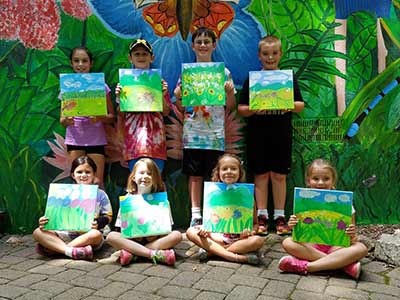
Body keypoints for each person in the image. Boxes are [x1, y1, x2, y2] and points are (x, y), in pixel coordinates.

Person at [238, 35, 304, 235]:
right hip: (258, 134)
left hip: (281, 134)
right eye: (266, 54)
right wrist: (254, 110)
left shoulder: (288, 78)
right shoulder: (253, 79)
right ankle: (262, 217)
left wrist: (288, 105)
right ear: (259, 56)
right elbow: (241, 109)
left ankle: (280, 216)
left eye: (274, 53)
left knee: (279, 175)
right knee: (261, 175)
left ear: (280, 54)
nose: (270, 57)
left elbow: (300, 105)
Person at [174, 27, 236, 227]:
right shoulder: (187, 73)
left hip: (215, 134)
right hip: (192, 133)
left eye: (206, 42)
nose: (202, 45)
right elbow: (181, 106)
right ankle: (196, 215)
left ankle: (213, 213)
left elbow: (231, 106)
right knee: (195, 174)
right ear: (192, 46)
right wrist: (178, 96)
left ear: (214, 45)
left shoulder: (223, 73)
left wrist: (229, 92)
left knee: (214, 174)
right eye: (199, 42)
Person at [278, 159, 368, 279]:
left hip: (336, 248)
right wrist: (292, 225)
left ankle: (306, 266)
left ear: (333, 180)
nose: (321, 183)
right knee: (287, 242)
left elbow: (352, 238)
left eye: (326, 179)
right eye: (316, 178)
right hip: (312, 247)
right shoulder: (303, 202)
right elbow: (298, 235)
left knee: (361, 248)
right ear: (308, 181)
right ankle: (342, 265)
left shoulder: (344, 204)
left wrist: (351, 234)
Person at [186, 153, 265, 264]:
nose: (229, 171)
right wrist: (204, 230)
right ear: (218, 172)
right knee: (191, 231)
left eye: (233, 169)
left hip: (238, 240)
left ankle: (212, 252)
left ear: (240, 173)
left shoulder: (247, 195)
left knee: (258, 240)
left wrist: (251, 231)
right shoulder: (212, 193)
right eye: (224, 169)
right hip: (216, 238)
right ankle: (236, 257)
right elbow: (209, 222)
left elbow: (256, 224)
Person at [33, 156, 112, 260]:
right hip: (65, 233)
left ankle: (56, 248)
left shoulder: (100, 194)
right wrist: (44, 221)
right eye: (79, 172)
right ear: (73, 175)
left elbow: (108, 215)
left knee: (95, 235)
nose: (83, 175)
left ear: (94, 175)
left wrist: (98, 222)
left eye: (88, 172)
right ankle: (71, 251)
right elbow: (54, 215)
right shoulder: (62, 193)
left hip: (87, 235)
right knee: (37, 232)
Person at [106, 158, 182, 266]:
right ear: (133, 177)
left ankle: (135, 253)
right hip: (133, 240)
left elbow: (167, 228)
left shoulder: (162, 200)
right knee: (111, 236)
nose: (145, 176)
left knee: (177, 235)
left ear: (155, 178)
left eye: (149, 174)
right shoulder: (128, 200)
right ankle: (152, 254)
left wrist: (154, 233)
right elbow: (122, 228)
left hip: (155, 240)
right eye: (141, 173)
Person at [60, 47, 115, 189]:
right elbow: (62, 120)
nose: (80, 64)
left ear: (91, 63)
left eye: (84, 61)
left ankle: (100, 211)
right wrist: (67, 120)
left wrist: (100, 118)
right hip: (75, 139)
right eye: (76, 61)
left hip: (96, 139)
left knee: (96, 182)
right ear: (71, 63)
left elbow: (111, 117)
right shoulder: (67, 87)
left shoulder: (101, 86)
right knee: (77, 183)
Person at [115, 39, 171, 173]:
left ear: (152, 58)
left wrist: (162, 95)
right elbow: (121, 114)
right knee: (136, 180)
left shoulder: (159, 82)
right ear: (130, 58)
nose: (141, 57)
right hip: (134, 141)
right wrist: (120, 98)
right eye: (137, 54)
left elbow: (166, 112)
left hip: (156, 141)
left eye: (144, 54)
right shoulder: (124, 83)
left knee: (156, 179)